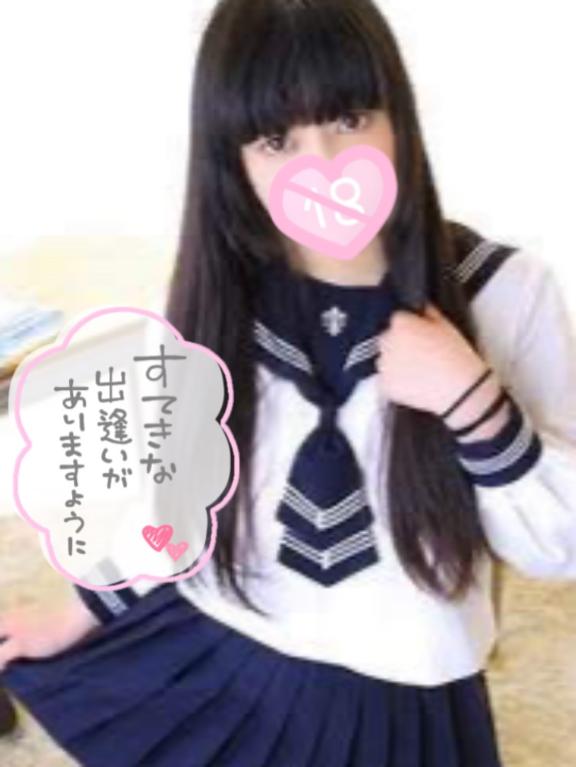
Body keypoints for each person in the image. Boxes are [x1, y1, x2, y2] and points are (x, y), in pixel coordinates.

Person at [1, 1, 576, 764]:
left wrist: (473, 402)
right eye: (277, 140)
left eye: (349, 119)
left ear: (399, 117)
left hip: (407, 687)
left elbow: (559, 545)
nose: (323, 164)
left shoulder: (501, 292)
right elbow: (179, 492)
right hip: (224, 639)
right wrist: (81, 610)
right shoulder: (222, 291)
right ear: (232, 158)